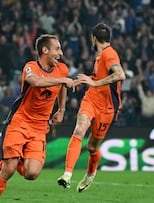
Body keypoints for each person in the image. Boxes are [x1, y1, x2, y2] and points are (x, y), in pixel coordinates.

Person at [0, 34, 75, 202]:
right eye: (57, 49)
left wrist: (61, 109)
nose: (61, 53)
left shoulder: (62, 69)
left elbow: (63, 86)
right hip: (19, 122)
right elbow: (35, 82)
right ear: (45, 50)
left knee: (31, 173)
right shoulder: (31, 67)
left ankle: (6, 163)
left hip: (40, 127)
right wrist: (64, 80)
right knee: (9, 169)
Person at [57, 23, 126, 192]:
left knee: (92, 147)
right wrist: (87, 80)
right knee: (79, 130)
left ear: (94, 38)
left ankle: (90, 174)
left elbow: (120, 74)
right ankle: (67, 175)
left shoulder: (109, 54)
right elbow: (99, 76)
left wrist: (94, 82)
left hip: (107, 108)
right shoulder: (100, 55)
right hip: (91, 100)